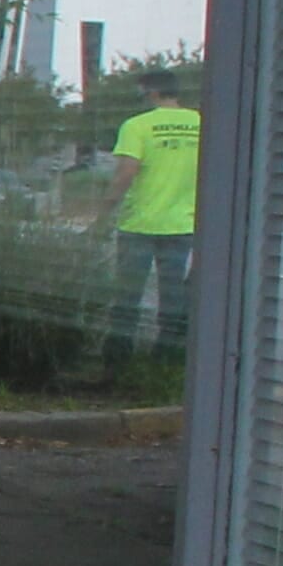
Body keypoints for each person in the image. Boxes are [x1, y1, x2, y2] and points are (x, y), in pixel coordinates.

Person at [93, 62, 202, 360]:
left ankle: (117, 359)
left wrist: (103, 212)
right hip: (182, 224)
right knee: (173, 299)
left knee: (127, 297)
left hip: (139, 223)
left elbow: (126, 173)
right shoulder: (201, 123)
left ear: (151, 93)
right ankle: (165, 359)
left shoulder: (137, 126)